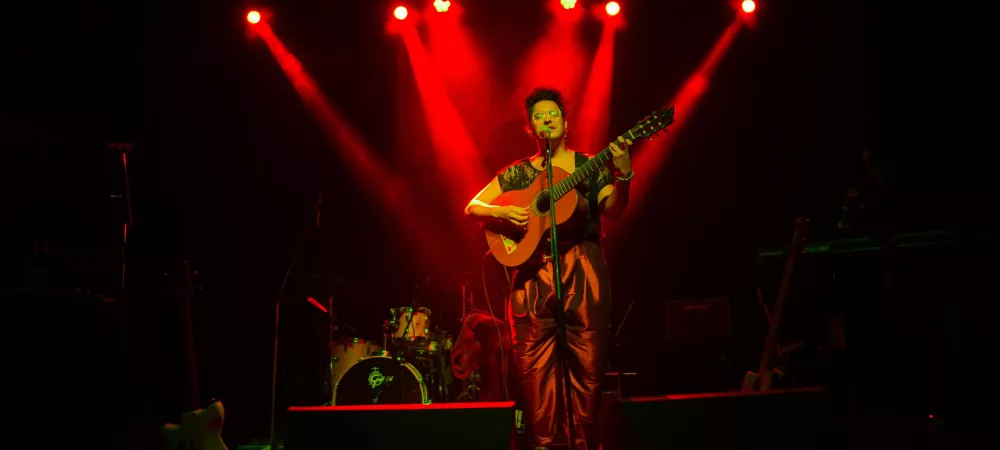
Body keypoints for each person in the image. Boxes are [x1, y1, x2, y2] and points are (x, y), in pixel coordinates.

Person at [464, 87, 635, 450]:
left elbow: (615, 211)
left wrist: (623, 175)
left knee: (587, 372)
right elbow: (473, 206)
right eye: (539, 116)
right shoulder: (518, 173)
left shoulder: (586, 165)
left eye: (553, 114)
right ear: (531, 127)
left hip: (582, 270)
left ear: (565, 122)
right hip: (530, 277)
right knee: (533, 376)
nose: (547, 120)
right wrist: (503, 212)